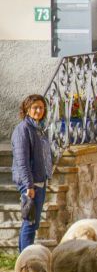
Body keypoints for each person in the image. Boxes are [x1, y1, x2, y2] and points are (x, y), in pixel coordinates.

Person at [11, 94, 53, 252]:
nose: (39, 110)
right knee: (30, 223)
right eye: (35, 107)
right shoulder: (23, 129)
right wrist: (29, 185)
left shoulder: (38, 129)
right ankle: (26, 260)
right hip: (30, 184)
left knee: (31, 224)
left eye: (41, 107)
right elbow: (22, 161)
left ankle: (23, 257)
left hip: (39, 182)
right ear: (27, 109)